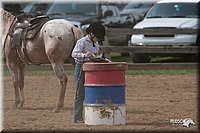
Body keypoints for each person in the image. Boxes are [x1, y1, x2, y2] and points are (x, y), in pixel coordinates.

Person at [71, 22, 105, 123]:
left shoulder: (96, 43)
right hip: (81, 67)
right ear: (91, 34)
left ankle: (91, 115)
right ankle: (77, 116)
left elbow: (96, 53)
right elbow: (74, 54)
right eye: (97, 37)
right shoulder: (82, 42)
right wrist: (85, 55)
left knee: (92, 92)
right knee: (80, 93)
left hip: (91, 68)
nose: (98, 40)